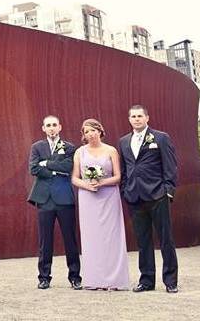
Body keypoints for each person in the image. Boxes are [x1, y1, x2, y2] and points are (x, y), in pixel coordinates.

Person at [118, 105, 179, 293]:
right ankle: (146, 280)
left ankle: (170, 281)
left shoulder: (160, 138)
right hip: (134, 197)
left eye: (140, 116)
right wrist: (125, 190)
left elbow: (170, 165)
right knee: (143, 241)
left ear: (147, 118)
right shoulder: (123, 141)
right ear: (129, 119)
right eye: (133, 116)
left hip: (157, 195)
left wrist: (168, 190)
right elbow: (125, 168)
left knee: (165, 239)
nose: (136, 119)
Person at [71, 118, 128, 290]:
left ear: (100, 131)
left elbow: (118, 177)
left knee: (111, 237)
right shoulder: (79, 152)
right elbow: (74, 178)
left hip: (109, 196)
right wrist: (87, 185)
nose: (90, 134)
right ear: (84, 135)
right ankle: (94, 279)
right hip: (88, 198)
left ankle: (114, 280)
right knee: (92, 238)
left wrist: (102, 182)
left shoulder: (111, 151)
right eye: (86, 131)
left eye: (93, 130)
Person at [27, 115, 81, 290]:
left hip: (64, 198)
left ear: (60, 127)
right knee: (45, 240)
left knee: (70, 239)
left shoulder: (70, 147)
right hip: (44, 199)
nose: (51, 128)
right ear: (43, 128)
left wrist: (47, 163)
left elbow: (68, 167)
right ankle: (44, 277)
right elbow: (34, 168)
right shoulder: (37, 147)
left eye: (54, 125)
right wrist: (54, 171)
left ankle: (75, 276)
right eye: (48, 125)